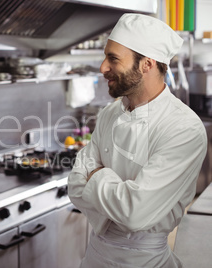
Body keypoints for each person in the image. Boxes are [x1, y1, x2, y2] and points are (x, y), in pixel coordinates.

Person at [68, 13, 207, 267]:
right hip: (94, 257)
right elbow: (75, 186)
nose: (103, 67)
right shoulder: (110, 112)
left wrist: (95, 174)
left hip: (145, 261)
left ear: (147, 64)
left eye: (113, 59)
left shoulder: (183, 128)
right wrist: (116, 193)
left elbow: (135, 213)